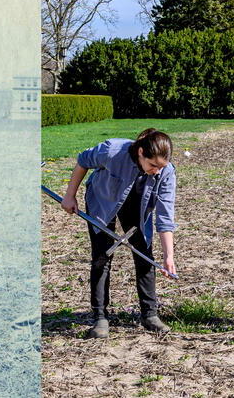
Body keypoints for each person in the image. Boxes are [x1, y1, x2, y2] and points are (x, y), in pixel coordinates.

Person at [61, 129, 177, 339]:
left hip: (137, 205)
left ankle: (150, 314)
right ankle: (100, 317)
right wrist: (70, 196)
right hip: (103, 201)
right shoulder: (112, 151)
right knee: (102, 256)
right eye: (153, 166)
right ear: (141, 152)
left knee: (144, 256)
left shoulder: (166, 172)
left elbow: (165, 215)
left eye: (161, 167)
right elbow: (82, 161)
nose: (157, 172)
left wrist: (169, 257)